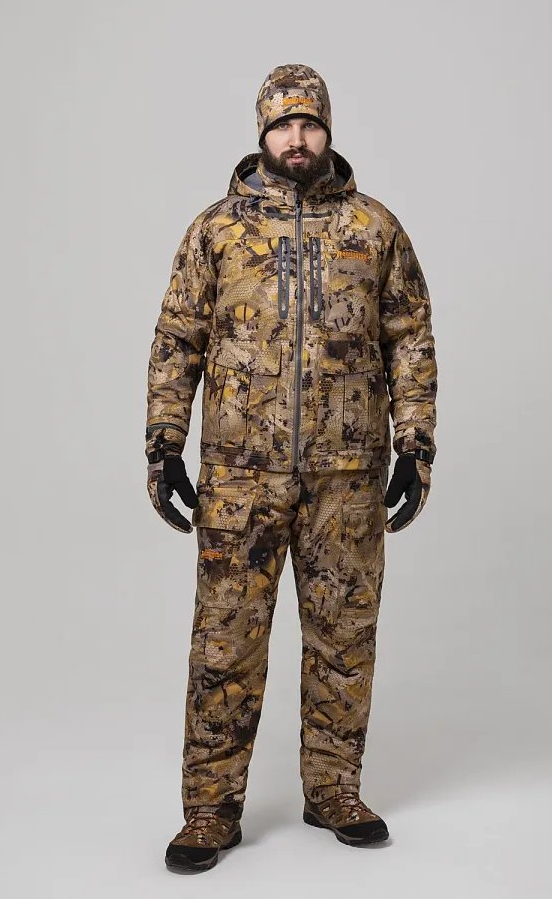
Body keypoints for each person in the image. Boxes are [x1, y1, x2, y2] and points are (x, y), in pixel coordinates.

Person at [145, 63, 438, 873]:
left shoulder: (374, 229)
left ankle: (334, 790)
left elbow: (409, 337)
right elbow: (177, 340)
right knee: (224, 645)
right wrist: (164, 444)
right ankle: (209, 809)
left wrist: (415, 445)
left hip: (347, 477)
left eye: (308, 123)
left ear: (327, 130)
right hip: (241, 479)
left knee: (344, 638)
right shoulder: (217, 230)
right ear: (262, 133)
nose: (296, 138)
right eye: (282, 125)